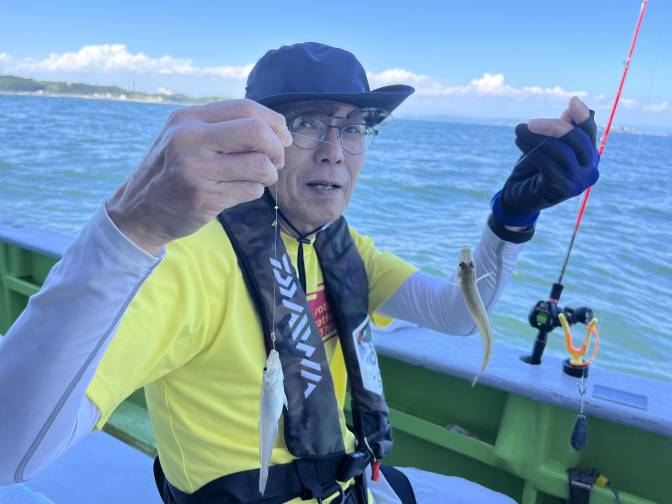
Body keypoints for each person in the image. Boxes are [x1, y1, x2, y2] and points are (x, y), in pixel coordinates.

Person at [0, 42, 599, 503]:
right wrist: (129, 229)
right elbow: (13, 452)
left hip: (353, 485)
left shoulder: (341, 245)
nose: (335, 149)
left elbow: (458, 316)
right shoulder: (189, 258)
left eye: (354, 128)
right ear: (255, 139)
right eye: (309, 123)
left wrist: (510, 220)